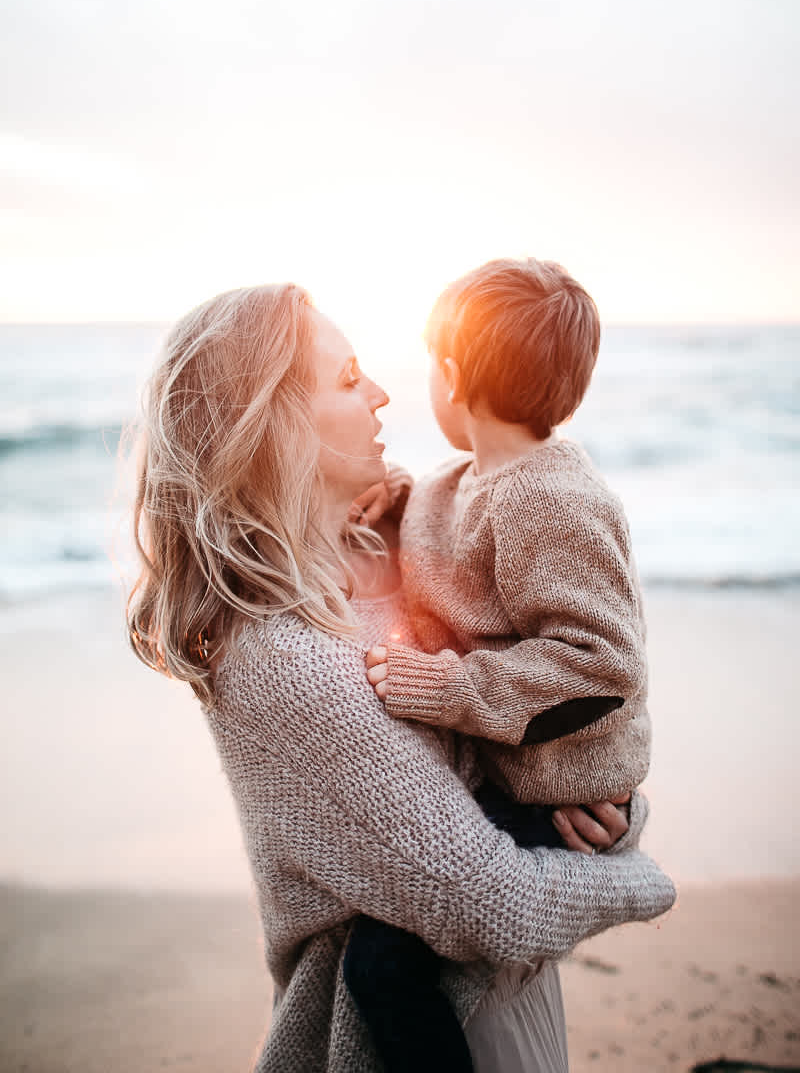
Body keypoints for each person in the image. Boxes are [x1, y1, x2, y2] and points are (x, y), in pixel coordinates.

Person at [126, 283, 675, 1073]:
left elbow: (549, 702)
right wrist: (636, 877)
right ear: (273, 425)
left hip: (505, 994)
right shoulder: (280, 653)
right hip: (396, 1032)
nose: (383, 393)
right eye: (349, 378)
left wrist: (608, 814)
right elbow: (492, 900)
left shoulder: (405, 550)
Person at [347, 257, 651, 1070]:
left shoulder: (549, 499)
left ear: (451, 373)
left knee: (381, 966)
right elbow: (446, 515)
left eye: (426, 366)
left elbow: (600, 664)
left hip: (558, 795)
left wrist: (450, 688)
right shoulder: (475, 477)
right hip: (504, 776)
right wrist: (394, 493)